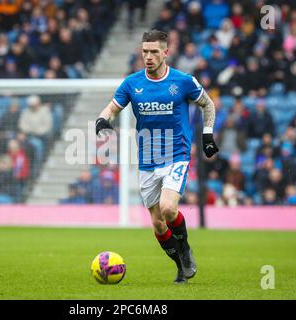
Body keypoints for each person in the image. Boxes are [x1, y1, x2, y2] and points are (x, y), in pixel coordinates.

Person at [94, 30, 218, 284]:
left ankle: (184, 250)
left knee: (168, 208)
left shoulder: (183, 81)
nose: (148, 57)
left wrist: (207, 134)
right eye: (144, 52)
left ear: (165, 52)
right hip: (147, 159)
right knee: (159, 225)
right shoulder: (132, 83)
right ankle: (180, 265)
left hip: (177, 154)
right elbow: (113, 107)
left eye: (153, 52)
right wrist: (102, 119)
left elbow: (208, 104)